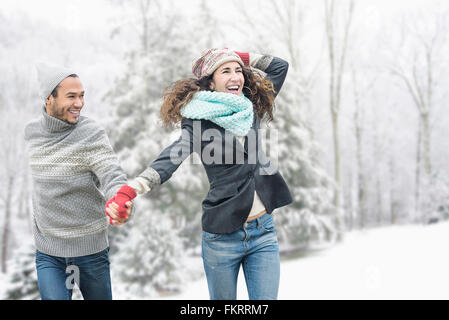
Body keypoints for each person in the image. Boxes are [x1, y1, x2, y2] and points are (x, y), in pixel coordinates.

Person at [107, 48, 292, 300]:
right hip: (222, 236)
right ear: (211, 82)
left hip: (264, 232)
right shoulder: (198, 122)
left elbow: (279, 66)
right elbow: (170, 158)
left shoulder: (251, 106)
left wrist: (237, 55)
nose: (235, 76)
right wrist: (130, 190)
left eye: (238, 70)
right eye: (225, 71)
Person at [24, 63, 134, 300]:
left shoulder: (90, 133)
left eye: (82, 96)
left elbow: (111, 172)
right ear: (48, 99)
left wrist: (120, 199)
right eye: (71, 96)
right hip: (49, 252)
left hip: (90, 251)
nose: (79, 103)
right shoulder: (31, 133)